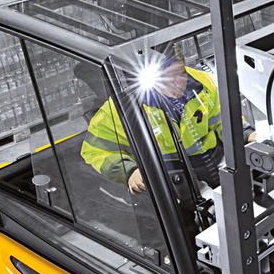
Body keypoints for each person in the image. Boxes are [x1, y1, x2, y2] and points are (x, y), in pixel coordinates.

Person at [81, 51, 224, 194]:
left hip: (214, 162)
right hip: (170, 180)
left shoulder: (203, 82)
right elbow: (94, 151)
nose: (180, 83)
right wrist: (129, 171)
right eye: (168, 79)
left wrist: (240, 140)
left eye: (182, 73)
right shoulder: (123, 108)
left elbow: (223, 121)